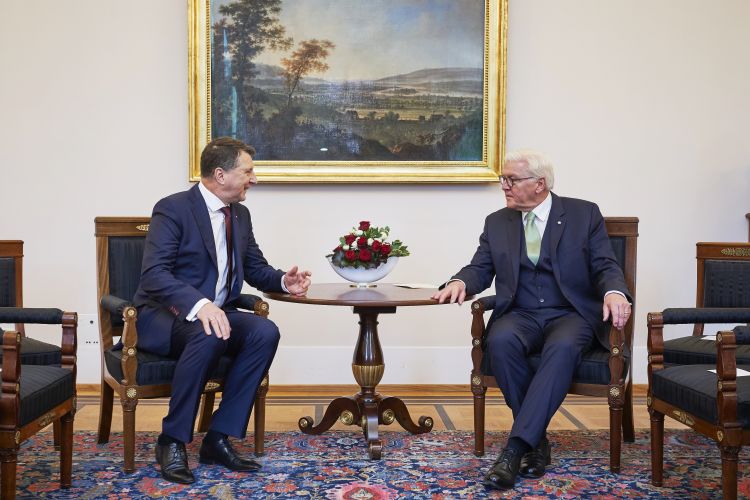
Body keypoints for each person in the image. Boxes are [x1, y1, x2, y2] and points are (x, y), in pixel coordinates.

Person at [432, 150, 631, 490]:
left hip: (570, 314)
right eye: (503, 179)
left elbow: (604, 265)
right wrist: (459, 281)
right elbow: (480, 267)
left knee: (563, 347)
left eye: (511, 179)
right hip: (520, 313)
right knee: (500, 341)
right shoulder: (497, 222)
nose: (504, 186)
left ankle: (514, 450)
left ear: (540, 184)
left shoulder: (583, 214)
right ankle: (536, 443)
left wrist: (615, 292)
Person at [133, 136, 311, 484]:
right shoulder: (173, 209)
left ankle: (218, 437)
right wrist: (199, 305)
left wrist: (283, 281)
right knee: (209, 331)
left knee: (264, 331)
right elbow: (154, 275)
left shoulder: (239, 215)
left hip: (217, 316)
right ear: (220, 174)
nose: (254, 179)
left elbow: (254, 267)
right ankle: (172, 440)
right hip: (166, 317)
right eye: (248, 172)